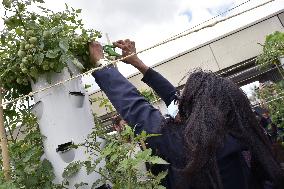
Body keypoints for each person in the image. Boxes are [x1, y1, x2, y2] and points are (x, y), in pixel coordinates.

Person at [89, 40, 284, 189]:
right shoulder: (245, 138)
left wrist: (101, 64)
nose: (181, 106)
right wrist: (138, 63)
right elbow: (175, 100)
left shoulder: (197, 148)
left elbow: (139, 110)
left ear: (202, 112)